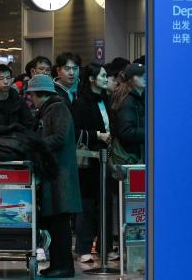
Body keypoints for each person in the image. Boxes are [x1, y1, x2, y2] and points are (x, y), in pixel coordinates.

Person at [26, 74, 82, 278]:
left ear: (38, 93)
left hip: (61, 176)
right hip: (55, 174)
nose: (30, 98)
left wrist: (35, 144)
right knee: (55, 223)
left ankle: (64, 267)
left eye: (31, 94)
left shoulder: (57, 108)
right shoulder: (48, 109)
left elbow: (59, 137)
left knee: (60, 225)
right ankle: (57, 264)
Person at [71, 63, 114, 264]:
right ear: (91, 79)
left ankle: (105, 247)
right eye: (103, 76)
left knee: (104, 204)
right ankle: (84, 247)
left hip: (105, 159)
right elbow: (76, 131)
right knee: (87, 206)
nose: (106, 79)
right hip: (87, 161)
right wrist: (97, 134)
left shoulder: (105, 99)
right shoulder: (81, 102)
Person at [110, 63, 146, 164]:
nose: (144, 77)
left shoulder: (139, 98)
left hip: (135, 155)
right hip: (130, 157)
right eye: (139, 75)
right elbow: (126, 131)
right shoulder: (128, 101)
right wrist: (151, 133)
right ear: (130, 79)